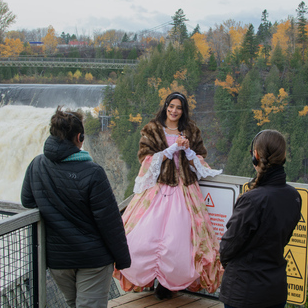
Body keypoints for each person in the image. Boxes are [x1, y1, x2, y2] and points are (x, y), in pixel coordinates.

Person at [113, 92, 223, 299]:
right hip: (157, 190)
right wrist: (171, 149)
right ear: (165, 106)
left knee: (179, 239)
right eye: (171, 106)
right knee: (144, 236)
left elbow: (199, 159)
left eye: (178, 108)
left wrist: (189, 152)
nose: (174, 111)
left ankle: (167, 284)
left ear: (183, 110)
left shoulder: (191, 130)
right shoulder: (152, 129)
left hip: (185, 189)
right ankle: (148, 278)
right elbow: (145, 159)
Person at [21, 106, 131, 308]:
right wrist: (122, 259)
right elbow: (109, 221)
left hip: (58, 259)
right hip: (93, 259)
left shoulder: (37, 165)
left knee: (73, 304)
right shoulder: (92, 172)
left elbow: (28, 201)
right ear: (79, 137)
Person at [219, 129, 302, 308]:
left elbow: (230, 243)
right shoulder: (294, 196)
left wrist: (225, 261)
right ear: (284, 156)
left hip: (244, 291)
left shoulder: (252, 199)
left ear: (255, 155)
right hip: (276, 289)